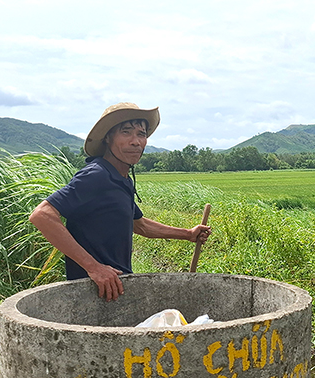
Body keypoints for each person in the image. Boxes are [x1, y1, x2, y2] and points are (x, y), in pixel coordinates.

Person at [29, 102, 211, 301]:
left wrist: (188, 234)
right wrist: (94, 267)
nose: (136, 142)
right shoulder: (96, 175)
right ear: (108, 137)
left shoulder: (122, 179)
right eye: (126, 132)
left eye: (141, 134)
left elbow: (139, 224)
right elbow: (42, 215)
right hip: (91, 291)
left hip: (116, 287)